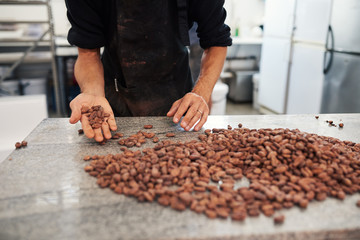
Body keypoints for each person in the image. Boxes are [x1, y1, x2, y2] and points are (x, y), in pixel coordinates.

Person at [65, 0, 232, 142]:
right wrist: (93, 93)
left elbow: (216, 40)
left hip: (177, 96)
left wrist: (201, 92)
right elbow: (88, 53)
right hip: (115, 93)